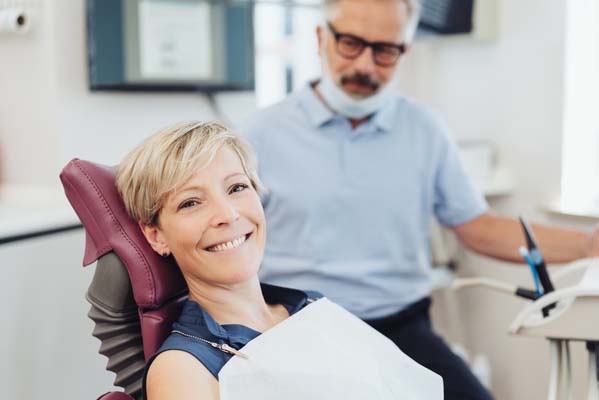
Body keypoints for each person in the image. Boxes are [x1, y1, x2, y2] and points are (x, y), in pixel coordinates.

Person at [240, 1, 599, 399]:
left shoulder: (425, 130)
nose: (365, 65)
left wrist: (588, 245)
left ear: (405, 50)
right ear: (321, 37)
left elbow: (478, 228)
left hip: (400, 327)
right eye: (351, 44)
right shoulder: (259, 135)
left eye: (384, 50)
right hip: (294, 326)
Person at [115, 121, 444, 400]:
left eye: (237, 187)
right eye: (190, 203)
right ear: (156, 235)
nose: (227, 215)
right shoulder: (183, 369)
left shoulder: (311, 308)